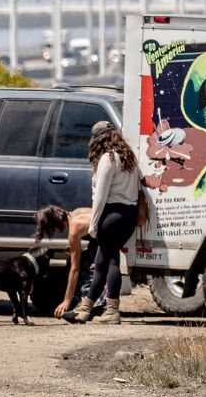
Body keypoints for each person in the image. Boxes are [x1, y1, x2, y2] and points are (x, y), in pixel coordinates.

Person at [64, 121, 140, 325]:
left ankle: (110, 311)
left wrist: (93, 224)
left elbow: (100, 196)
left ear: (99, 139)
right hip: (128, 215)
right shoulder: (128, 157)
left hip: (112, 215)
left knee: (105, 263)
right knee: (107, 261)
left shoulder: (108, 158)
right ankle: (86, 309)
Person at [33, 204, 94, 318]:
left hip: (109, 241)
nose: (54, 232)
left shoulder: (74, 229)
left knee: (83, 268)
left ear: (53, 223)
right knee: (84, 258)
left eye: (50, 230)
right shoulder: (77, 211)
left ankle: (88, 305)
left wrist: (66, 301)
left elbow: (75, 269)